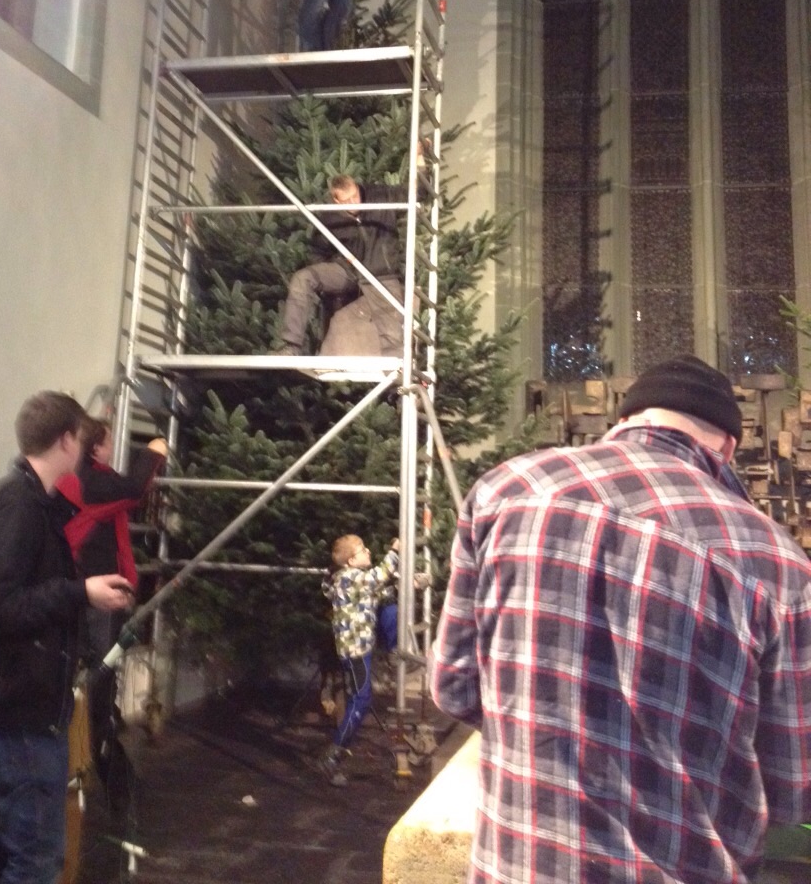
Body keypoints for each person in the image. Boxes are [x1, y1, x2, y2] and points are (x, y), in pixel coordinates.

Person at [430, 354, 811, 883]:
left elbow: (454, 688)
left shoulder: (506, 491)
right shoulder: (775, 562)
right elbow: (792, 783)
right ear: (727, 446)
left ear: (625, 420)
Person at [0, 391, 133, 884]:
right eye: (82, 438)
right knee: (35, 859)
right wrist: (80, 592)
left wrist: (80, 597)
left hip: (18, 704)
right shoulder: (19, 506)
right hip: (19, 711)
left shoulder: (35, 504)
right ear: (67, 440)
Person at [57, 417, 167, 790]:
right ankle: (98, 755)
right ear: (95, 447)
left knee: (98, 668)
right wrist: (154, 451)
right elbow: (134, 489)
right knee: (101, 670)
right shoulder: (89, 482)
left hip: (87, 587)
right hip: (95, 591)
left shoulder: (87, 479)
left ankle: (97, 749)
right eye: (107, 441)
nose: (112, 446)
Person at [277, 155, 428, 357]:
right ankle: (291, 346)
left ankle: (395, 367)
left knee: (393, 339)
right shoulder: (329, 217)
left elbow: (417, 193)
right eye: (346, 201)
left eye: (355, 196)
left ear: (357, 188)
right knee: (302, 278)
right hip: (347, 271)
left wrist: (419, 160)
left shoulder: (380, 196)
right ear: (336, 200)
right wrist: (331, 278)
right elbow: (317, 251)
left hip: (380, 274)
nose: (354, 202)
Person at [319, 533, 399, 786]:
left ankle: (336, 754)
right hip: (355, 652)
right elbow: (379, 576)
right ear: (351, 561)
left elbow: (376, 592)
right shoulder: (350, 578)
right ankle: (332, 756)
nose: (368, 552)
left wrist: (407, 585)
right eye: (363, 550)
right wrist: (395, 551)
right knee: (360, 701)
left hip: (357, 649)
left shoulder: (352, 580)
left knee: (390, 607)